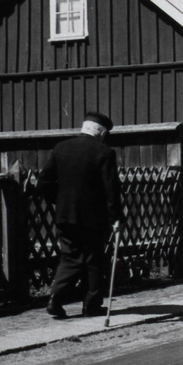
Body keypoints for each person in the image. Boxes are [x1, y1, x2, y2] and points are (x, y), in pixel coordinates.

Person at [38, 111, 122, 319]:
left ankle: (55, 299)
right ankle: (91, 306)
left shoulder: (61, 149)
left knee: (70, 257)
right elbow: (111, 190)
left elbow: (43, 184)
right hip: (94, 219)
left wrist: (62, 202)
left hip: (66, 216)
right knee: (94, 260)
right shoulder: (104, 152)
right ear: (102, 133)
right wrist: (116, 217)